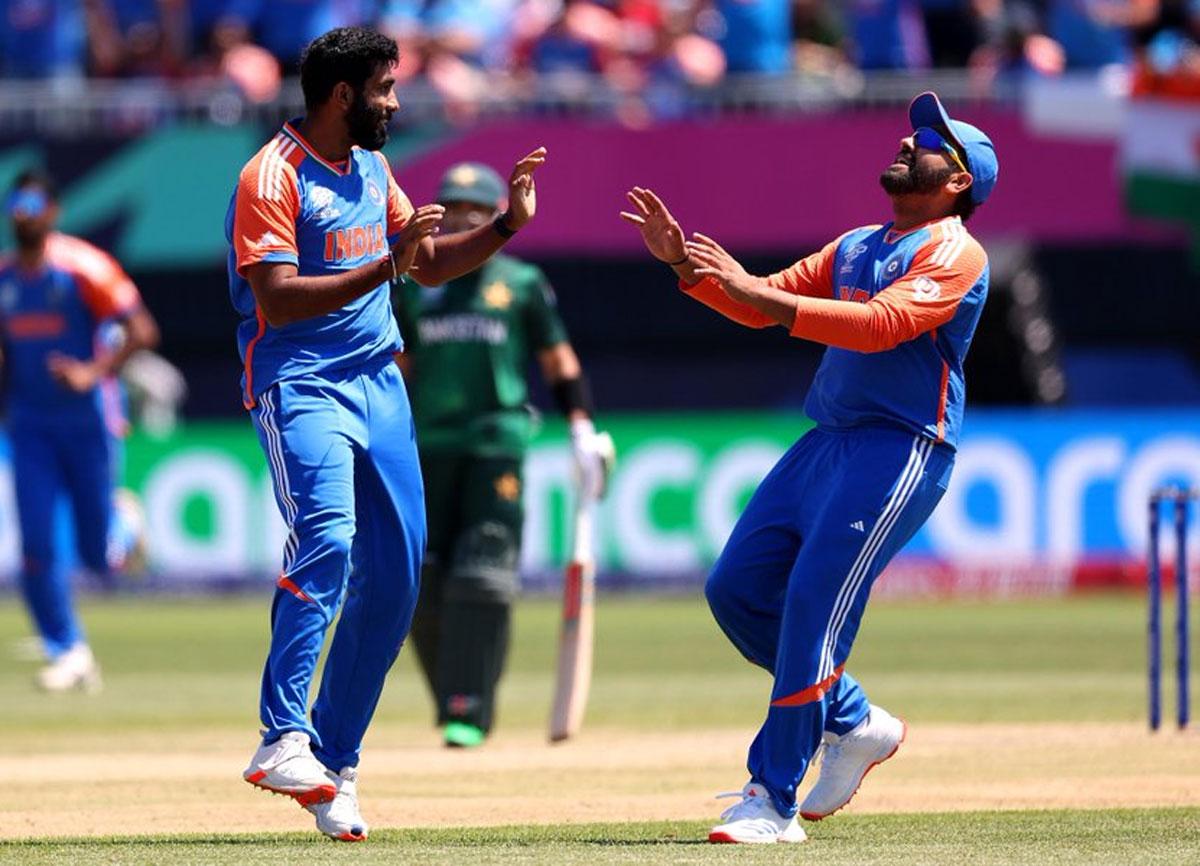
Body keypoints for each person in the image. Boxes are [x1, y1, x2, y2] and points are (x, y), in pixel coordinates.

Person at [621, 91, 998, 844]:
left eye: (930, 142)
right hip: (826, 441)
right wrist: (686, 268)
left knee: (813, 609)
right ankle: (853, 721)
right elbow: (760, 304)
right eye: (911, 134)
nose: (908, 143)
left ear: (959, 180)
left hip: (900, 447)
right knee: (736, 591)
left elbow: (884, 325)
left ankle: (773, 801)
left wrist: (754, 291)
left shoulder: (956, 253)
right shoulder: (857, 243)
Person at [226, 26, 545, 842]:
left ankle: (335, 764)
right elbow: (278, 301)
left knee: (398, 581)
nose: (397, 103)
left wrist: (504, 227)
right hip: (302, 384)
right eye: (385, 89)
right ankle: (282, 736)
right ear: (344, 95)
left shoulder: (372, 168)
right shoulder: (271, 176)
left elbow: (425, 261)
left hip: (380, 385)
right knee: (327, 540)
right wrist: (387, 265)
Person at [393, 162, 611, 749]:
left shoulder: (520, 282)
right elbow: (398, 368)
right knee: (420, 580)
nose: (461, 218)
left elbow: (558, 360)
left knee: (482, 573)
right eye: (451, 208)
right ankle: (451, 697)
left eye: (474, 209)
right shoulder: (413, 282)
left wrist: (581, 426)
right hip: (425, 447)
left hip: (496, 444)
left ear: (494, 215)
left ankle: (469, 707)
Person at [0, 170, 160, 692]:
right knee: (35, 545)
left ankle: (124, 526)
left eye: (32, 206)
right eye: (16, 205)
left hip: (88, 422)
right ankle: (67, 649)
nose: (22, 215)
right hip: (30, 426)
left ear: (52, 212)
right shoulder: (5, 278)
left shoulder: (84, 267)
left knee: (97, 557)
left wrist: (93, 372)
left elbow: (143, 331)